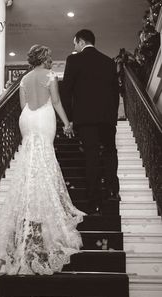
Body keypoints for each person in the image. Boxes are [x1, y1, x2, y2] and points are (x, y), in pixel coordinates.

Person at [0, 45, 85, 275]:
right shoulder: (50, 76)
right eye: (49, 56)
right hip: (43, 117)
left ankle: (31, 200)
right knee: (45, 156)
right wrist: (66, 123)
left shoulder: (23, 79)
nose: (51, 59)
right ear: (43, 58)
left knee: (31, 158)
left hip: (28, 119)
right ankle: (44, 203)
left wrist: (32, 116)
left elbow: (23, 107)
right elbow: (56, 102)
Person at [62, 29, 120, 215]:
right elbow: (115, 92)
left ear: (80, 41)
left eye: (74, 44)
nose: (74, 47)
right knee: (110, 152)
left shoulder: (74, 60)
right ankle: (112, 190)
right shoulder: (109, 61)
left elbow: (67, 90)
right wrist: (113, 117)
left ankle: (95, 201)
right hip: (107, 118)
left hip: (85, 119)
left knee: (91, 156)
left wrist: (69, 118)